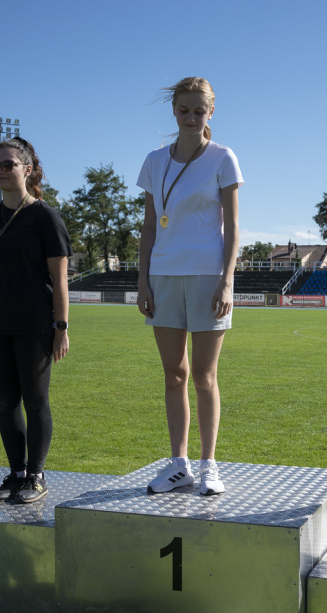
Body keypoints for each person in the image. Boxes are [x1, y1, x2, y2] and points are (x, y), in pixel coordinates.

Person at [136, 76, 243, 496]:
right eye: (184, 109)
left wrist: (227, 280)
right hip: (163, 276)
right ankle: (178, 464)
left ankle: (209, 464)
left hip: (207, 277)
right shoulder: (154, 160)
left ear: (210, 112)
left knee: (203, 374)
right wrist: (142, 279)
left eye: (199, 110)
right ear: (174, 110)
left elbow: (233, 227)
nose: (191, 116)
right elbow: (148, 226)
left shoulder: (223, 157)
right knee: (173, 375)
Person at [0, 136, 73, 504]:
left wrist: (60, 328)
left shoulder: (46, 216)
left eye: (7, 164)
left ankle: (36, 475)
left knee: (35, 399)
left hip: (35, 324)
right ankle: (14, 474)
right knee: (4, 401)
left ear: (27, 169)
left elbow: (59, 279)